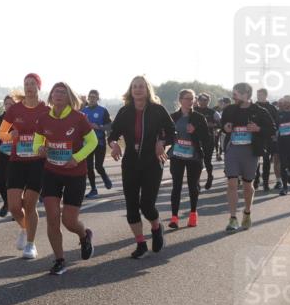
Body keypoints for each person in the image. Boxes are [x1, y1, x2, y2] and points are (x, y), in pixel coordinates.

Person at [107, 76, 176, 259]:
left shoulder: (158, 110)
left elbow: (172, 133)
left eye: (141, 87)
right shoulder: (125, 111)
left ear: (147, 90)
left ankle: (156, 227)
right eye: (134, 87)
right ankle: (140, 243)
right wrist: (113, 144)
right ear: (131, 90)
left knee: (147, 205)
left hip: (152, 162)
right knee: (131, 205)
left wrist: (161, 142)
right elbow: (113, 134)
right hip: (130, 162)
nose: (137, 90)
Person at [32, 83, 97, 275]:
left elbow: (92, 142)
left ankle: (84, 235)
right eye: (55, 92)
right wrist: (39, 149)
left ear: (69, 97)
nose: (58, 95)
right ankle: (59, 259)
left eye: (62, 92)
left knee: (69, 221)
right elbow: (37, 141)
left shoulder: (79, 118)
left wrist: (76, 158)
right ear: (51, 96)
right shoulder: (43, 118)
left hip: (75, 174)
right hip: (51, 172)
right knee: (52, 218)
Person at [0, 74, 47, 259]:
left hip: (37, 162)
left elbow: (53, 133)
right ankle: (25, 228)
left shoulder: (46, 109)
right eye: (26, 84)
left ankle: (31, 245)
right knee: (14, 206)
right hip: (17, 161)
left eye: (33, 84)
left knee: (30, 204)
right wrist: (11, 135)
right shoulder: (15, 109)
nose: (29, 87)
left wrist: (45, 145)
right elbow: (1, 133)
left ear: (39, 87)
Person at [220, 83, 275, 233]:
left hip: (251, 152)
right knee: (232, 183)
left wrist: (258, 129)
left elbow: (272, 129)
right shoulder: (230, 110)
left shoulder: (259, 111)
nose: (233, 96)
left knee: (247, 185)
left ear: (246, 94)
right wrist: (225, 127)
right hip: (232, 150)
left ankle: (247, 212)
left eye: (236, 94)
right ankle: (232, 218)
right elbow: (222, 124)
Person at [167, 89, 210, 229]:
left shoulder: (198, 117)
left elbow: (207, 138)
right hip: (177, 156)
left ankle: (193, 214)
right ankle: (174, 218)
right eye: (187, 98)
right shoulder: (173, 117)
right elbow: (166, 135)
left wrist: (196, 130)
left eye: (192, 99)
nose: (190, 101)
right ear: (180, 100)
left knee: (193, 186)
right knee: (176, 186)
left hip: (194, 157)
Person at [80, 89, 113, 198]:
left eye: (94, 97)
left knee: (98, 166)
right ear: (88, 98)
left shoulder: (103, 110)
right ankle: (93, 189)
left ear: (98, 99)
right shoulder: (83, 111)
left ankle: (105, 178)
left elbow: (110, 125)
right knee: (89, 167)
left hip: (100, 142)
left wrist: (99, 127)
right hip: (87, 144)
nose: (92, 99)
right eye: (90, 97)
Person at [0, 95, 16, 217]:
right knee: (0, 181)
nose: (8, 106)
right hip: (3, 153)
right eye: (6, 104)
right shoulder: (1, 118)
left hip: (17, 155)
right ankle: (6, 202)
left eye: (11, 104)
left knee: (13, 183)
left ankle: (15, 209)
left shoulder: (20, 118)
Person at [254, 88, 280, 191]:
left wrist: (274, 134)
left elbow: (276, 122)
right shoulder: (253, 107)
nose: (259, 96)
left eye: (260, 94)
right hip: (255, 137)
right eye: (257, 94)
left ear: (265, 95)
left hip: (268, 137)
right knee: (255, 161)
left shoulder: (271, 108)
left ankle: (265, 183)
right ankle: (256, 180)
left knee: (266, 161)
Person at [193, 93, 220, 190]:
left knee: (207, 161)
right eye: (201, 100)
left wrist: (212, 125)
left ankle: (209, 177)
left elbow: (221, 124)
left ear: (209, 101)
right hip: (196, 140)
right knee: (196, 161)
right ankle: (197, 183)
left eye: (205, 100)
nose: (203, 102)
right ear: (198, 101)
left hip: (208, 139)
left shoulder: (213, 112)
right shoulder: (193, 111)